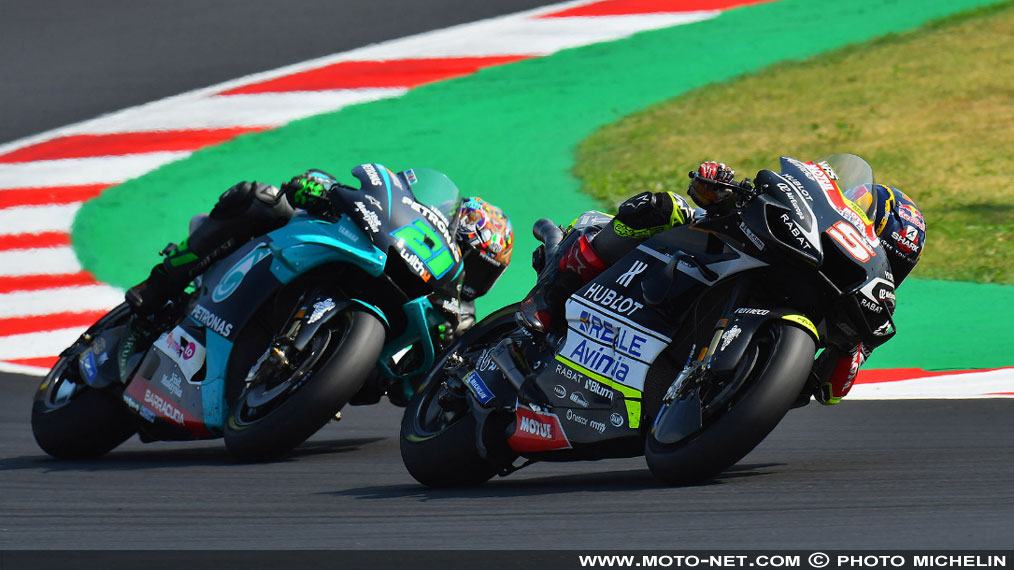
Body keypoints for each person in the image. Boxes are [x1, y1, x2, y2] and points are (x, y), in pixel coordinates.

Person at [517, 161, 926, 406]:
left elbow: (831, 392)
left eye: (893, 261)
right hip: (707, 251)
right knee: (664, 207)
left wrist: (850, 345)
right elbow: (729, 198)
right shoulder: (808, 221)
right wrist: (720, 188)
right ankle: (551, 294)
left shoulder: (861, 318)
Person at [125, 166, 513, 333]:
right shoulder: (407, 222)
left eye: (483, 271)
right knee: (260, 200)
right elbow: (322, 183)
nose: (470, 271)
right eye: (467, 249)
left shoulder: (459, 315)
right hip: (361, 254)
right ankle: (159, 284)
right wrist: (318, 186)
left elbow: (425, 383)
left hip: (355, 358)